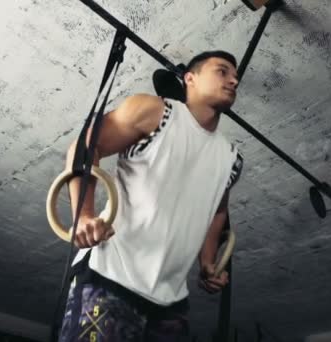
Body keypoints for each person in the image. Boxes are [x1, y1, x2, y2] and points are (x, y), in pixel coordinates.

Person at [59, 50, 244, 342]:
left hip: (170, 306)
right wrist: (83, 216)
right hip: (110, 278)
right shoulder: (155, 112)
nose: (234, 80)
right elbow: (85, 147)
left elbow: (216, 211)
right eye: (222, 71)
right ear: (190, 78)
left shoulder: (231, 158)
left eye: (236, 76)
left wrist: (208, 261)